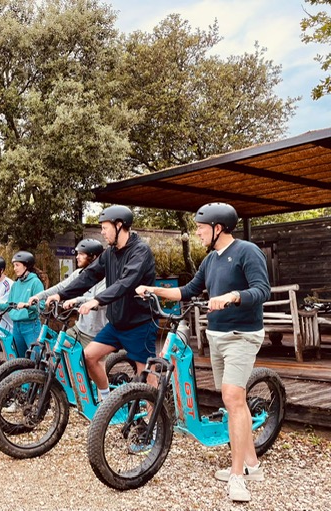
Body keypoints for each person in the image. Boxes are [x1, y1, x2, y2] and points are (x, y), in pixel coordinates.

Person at [136, 202, 270, 503]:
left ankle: (237, 478)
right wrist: (153, 289)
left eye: (200, 227)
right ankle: (252, 466)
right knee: (233, 399)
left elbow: (262, 290)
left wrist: (232, 296)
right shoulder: (210, 260)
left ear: (217, 227)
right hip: (218, 337)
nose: (196, 232)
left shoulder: (247, 252)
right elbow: (187, 291)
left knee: (233, 398)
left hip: (242, 336)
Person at [47, 205, 158, 402]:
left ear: (119, 225)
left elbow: (126, 282)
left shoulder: (140, 252)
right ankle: (107, 401)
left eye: (105, 227)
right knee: (89, 356)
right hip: (116, 324)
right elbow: (89, 276)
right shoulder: (109, 253)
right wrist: (61, 295)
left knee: (146, 375)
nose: (102, 232)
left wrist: (96, 300)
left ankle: (156, 424)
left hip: (139, 324)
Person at [22, 239, 107, 348]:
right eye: (77, 254)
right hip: (79, 328)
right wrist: (39, 296)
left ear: (94, 257)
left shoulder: (104, 278)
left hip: (95, 334)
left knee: (89, 361)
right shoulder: (78, 274)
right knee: (58, 348)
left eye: (81, 254)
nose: (77, 257)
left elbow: (100, 300)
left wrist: (77, 300)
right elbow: (61, 287)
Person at [0, 251, 44, 357]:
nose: (15, 268)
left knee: (35, 359)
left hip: (30, 326)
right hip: (16, 326)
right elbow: (8, 306)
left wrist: (27, 305)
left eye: (17, 265)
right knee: (19, 360)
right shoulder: (15, 285)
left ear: (26, 266)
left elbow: (42, 306)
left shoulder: (35, 282)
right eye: (14, 265)